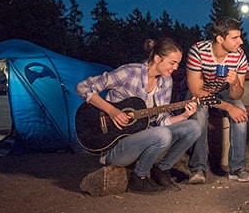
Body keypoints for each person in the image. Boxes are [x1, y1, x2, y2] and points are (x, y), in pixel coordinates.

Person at [75, 38, 201, 193]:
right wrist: (112, 111)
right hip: (117, 147)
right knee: (162, 134)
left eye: (178, 63)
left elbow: (162, 120)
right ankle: (138, 178)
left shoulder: (166, 82)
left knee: (193, 127)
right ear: (157, 58)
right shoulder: (129, 72)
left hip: (145, 139)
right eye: (172, 62)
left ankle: (161, 169)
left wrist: (184, 115)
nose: (175, 68)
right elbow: (82, 87)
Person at [184, 17, 249, 183]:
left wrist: (235, 83)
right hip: (200, 92)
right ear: (220, 39)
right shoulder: (198, 51)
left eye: (240, 36)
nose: (241, 42)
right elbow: (196, 91)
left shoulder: (239, 56)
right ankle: (198, 168)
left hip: (223, 93)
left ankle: (237, 167)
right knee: (199, 114)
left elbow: (236, 95)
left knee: (241, 112)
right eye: (235, 38)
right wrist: (229, 108)